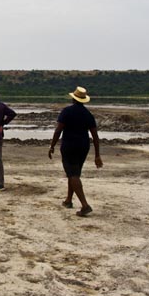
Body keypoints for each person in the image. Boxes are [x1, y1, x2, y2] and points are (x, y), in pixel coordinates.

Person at [48, 87, 103, 217]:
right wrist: (97, 155)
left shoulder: (67, 111)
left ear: (73, 98)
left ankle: (85, 205)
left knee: (73, 175)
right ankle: (68, 200)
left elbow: (58, 130)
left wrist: (52, 145)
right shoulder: (88, 114)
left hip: (69, 146)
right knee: (74, 173)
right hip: (83, 146)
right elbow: (95, 136)